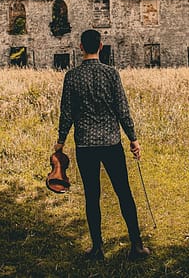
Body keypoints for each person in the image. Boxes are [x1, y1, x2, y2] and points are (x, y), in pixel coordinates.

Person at [54, 29, 151, 261]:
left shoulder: (72, 77)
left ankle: (97, 248)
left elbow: (66, 113)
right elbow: (122, 109)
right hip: (111, 143)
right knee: (124, 192)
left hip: (85, 145)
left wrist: (60, 142)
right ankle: (136, 246)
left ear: (80, 48)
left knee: (92, 196)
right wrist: (133, 138)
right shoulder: (111, 74)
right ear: (100, 46)